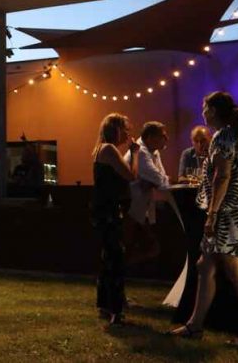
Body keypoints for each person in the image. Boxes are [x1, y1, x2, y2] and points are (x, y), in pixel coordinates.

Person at [170, 92, 238, 349]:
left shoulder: (223, 137)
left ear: (212, 110)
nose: (202, 111)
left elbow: (222, 176)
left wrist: (212, 214)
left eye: (204, 107)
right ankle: (195, 325)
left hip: (228, 213)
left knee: (237, 274)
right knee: (205, 266)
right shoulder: (237, 137)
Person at [92, 113, 139, 327]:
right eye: (125, 130)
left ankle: (105, 303)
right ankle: (115, 310)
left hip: (103, 210)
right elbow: (130, 175)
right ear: (116, 130)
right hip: (108, 211)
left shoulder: (102, 149)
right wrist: (134, 153)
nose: (128, 134)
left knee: (108, 257)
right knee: (116, 259)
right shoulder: (109, 150)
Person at [123, 121, 171, 265]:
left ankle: (126, 269)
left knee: (148, 246)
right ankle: (123, 269)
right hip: (131, 207)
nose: (167, 139)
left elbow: (162, 179)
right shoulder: (142, 153)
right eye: (163, 136)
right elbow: (160, 180)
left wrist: (155, 181)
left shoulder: (154, 151)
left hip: (141, 207)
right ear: (150, 137)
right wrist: (156, 181)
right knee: (135, 244)